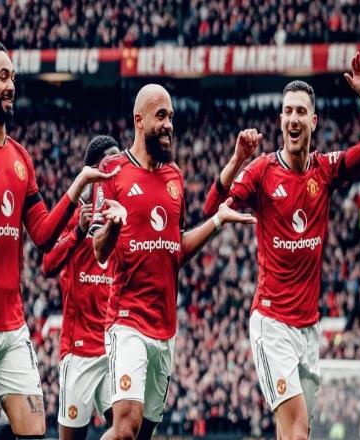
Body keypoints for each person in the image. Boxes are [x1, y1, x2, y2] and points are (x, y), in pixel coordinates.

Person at [203, 51, 360, 440]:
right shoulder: (262, 171)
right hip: (272, 324)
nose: (293, 118)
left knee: (293, 433)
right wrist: (235, 161)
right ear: (280, 120)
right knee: (299, 431)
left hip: (309, 330)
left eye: (301, 111)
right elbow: (211, 208)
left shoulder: (325, 169)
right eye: (287, 111)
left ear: (313, 121)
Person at [0, 41, 118, 440]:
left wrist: (78, 185)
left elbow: (41, 235)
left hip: (13, 321)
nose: (11, 86)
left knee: (35, 430)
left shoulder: (21, 157)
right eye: (3, 76)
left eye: (14, 78)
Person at [89, 83, 258, 440]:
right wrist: (113, 225)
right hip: (127, 320)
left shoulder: (175, 177)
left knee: (143, 434)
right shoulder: (112, 170)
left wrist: (217, 221)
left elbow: (174, 250)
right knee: (125, 429)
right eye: (161, 116)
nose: (169, 124)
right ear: (139, 120)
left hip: (165, 329)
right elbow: (99, 251)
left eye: (171, 117)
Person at [41, 135, 120, 439]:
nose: (117, 167)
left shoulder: (119, 213)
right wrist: (78, 231)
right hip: (79, 350)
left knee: (128, 430)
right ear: (94, 168)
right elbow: (48, 264)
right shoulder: (74, 213)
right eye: (110, 161)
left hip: (112, 346)